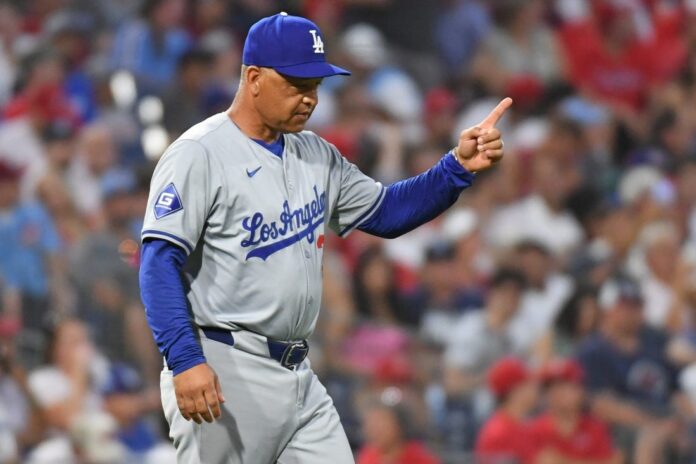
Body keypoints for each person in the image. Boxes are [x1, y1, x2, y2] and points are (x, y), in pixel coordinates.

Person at [138, 12, 511, 463]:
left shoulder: (315, 153)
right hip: (225, 365)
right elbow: (158, 262)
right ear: (253, 78)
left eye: (315, 85)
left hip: (299, 373)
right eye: (296, 84)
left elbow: (386, 213)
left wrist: (455, 168)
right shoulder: (199, 153)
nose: (309, 98)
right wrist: (184, 360)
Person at [576, 275, 688, 464]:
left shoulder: (654, 339)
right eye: (625, 306)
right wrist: (657, 425)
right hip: (625, 423)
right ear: (607, 309)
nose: (632, 312)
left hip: (665, 413)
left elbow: (676, 391)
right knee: (648, 440)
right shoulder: (593, 351)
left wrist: (684, 420)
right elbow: (602, 406)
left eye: (637, 306)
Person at [530, 359, 622, 464]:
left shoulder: (595, 427)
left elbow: (614, 461)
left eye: (567, 386)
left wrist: (563, 461)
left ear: (580, 390)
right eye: (551, 388)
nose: (559, 393)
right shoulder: (534, 431)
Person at [475, 357, 539, 464]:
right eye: (529, 383)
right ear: (515, 390)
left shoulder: (522, 425)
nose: (535, 388)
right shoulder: (498, 433)